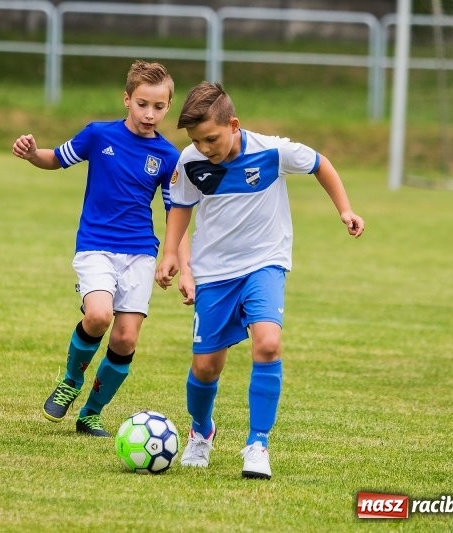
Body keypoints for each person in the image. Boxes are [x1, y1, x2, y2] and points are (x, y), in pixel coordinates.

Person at [155, 81, 365, 479]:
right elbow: (181, 206)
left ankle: (257, 443)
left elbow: (321, 164)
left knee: (268, 344)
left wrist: (345, 210)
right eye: (197, 141)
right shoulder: (189, 160)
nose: (204, 148)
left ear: (233, 124)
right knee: (206, 368)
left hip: (265, 263)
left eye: (211, 139)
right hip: (214, 271)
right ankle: (201, 432)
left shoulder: (272, 150)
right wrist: (171, 255)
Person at [11, 60, 185, 437]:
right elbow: (55, 159)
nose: (149, 114)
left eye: (158, 106)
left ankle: (91, 413)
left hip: (140, 251)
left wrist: (177, 261)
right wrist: (31, 154)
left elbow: (178, 214)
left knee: (125, 338)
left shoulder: (170, 157)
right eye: (142, 104)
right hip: (96, 246)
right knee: (99, 316)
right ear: (126, 99)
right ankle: (71, 380)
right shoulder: (98, 135)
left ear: (168, 106)